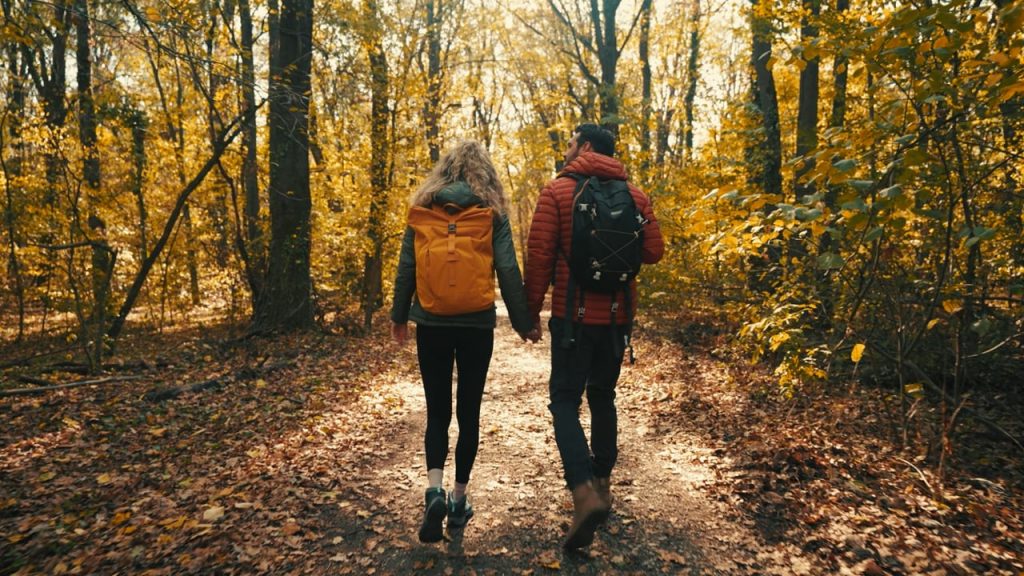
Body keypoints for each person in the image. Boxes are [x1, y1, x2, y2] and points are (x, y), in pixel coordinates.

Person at [524, 123, 664, 550]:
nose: (566, 151)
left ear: (584, 146)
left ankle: (583, 492)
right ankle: (602, 484)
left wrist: (529, 314)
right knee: (603, 396)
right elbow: (654, 252)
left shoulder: (557, 192)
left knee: (565, 400)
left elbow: (539, 258)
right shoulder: (636, 195)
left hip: (572, 318)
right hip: (618, 321)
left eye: (570, 143)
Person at [391, 140, 536, 544]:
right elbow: (507, 269)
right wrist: (524, 323)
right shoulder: (491, 213)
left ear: (444, 170)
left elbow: (407, 266)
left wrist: (399, 317)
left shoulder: (424, 209)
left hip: (431, 322)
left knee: (437, 411)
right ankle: (458, 501)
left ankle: (433, 489)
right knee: (468, 411)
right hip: (475, 325)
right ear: (484, 172)